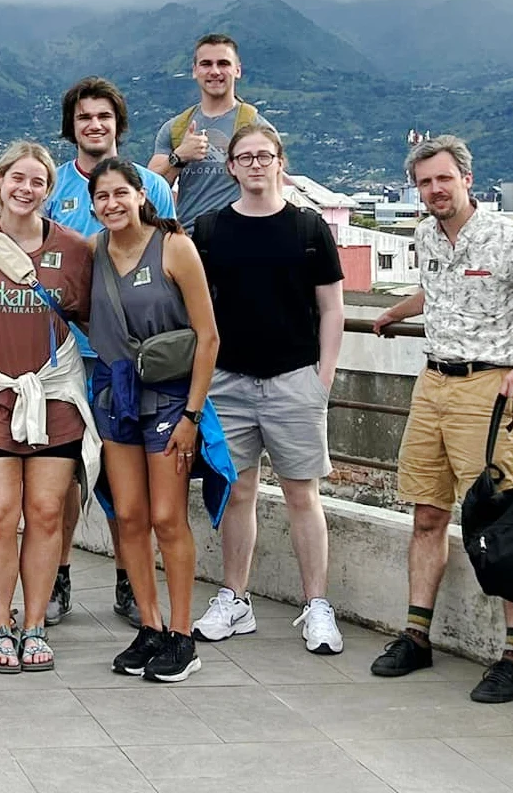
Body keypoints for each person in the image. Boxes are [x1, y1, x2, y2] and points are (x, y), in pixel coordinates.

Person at [369, 135, 513, 704]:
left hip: (491, 389)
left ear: (466, 179)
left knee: (503, 518)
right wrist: (395, 310)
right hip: (432, 383)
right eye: (424, 182)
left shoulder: (511, 239)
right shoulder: (425, 233)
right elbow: (435, 290)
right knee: (427, 511)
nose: (435, 190)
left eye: (443, 179)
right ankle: (416, 635)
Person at [189, 122, 348, 656]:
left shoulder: (309, 229)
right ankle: (235, 597)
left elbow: (331, 308)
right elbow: (197, 311)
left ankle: (317, 605)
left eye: (265, 155)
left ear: (280, 162)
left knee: (303, 494)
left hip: (294, 379)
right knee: (238, 493)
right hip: (228, 382)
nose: (256, 164)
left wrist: (321, 377)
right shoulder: (209, 231)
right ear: (231, 166)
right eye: (245, 157)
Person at [0, 140, 95, 674]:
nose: (26, 188)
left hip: (55, 394)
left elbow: (92, 316)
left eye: (37, 181)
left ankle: (34, 622)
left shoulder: (75, 250)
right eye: (17, 178)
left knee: (46, 512)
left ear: (48, 190)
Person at [86, 156, 223, 683]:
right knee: (130, 516)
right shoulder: (93, 252)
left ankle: (183, 634)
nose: (113, 204)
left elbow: (208, 337)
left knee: (168, 517)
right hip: (118, 395)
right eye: (102, 197)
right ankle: (150, 625)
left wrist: (192, 413)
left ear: (142, 195)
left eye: (121, 193)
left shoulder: (175, 248)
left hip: (169, 398)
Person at [46, 76, 177, 627]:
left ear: (119, 124)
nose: (94, 125)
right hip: (68, 356)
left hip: (137, 362)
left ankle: (131, 581)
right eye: (83, 118)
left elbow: (172, 259)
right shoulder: (53, 186)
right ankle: (57, 578)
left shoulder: (152, 186)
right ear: (70, 127)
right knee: (66, 474)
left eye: (103, 117)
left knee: (132, 486)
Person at [150, 33, 271, 235]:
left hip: (241, 237)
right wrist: (179, 157)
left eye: (223, 63)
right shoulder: (175, 128)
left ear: (237, 70)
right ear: (195, 71)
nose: (215, 71)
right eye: (206, 64)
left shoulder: (258, 128)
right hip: (188, 240)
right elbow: (149, 189)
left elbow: (270, 190)